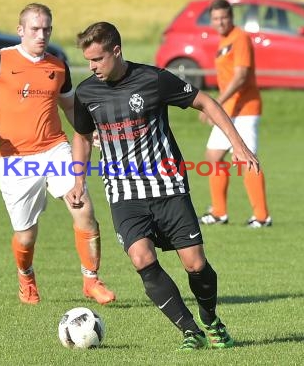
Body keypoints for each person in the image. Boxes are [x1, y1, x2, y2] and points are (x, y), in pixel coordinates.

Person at [66, 21, 260, 350]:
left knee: (195, 263)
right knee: (141, 258)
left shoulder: (153, 79)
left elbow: (207, 102)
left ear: (116, 51)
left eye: (98, 59)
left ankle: (210, 321)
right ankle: (189, 331)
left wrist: (238, 145)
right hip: (124, 194)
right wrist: (78, 179)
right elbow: (83, 136)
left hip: (168, 188)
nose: (92, 67)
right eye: (88, 60)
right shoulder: (87, 93)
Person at [0, 3, 115, 306]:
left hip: (56, 149)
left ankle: (91, 280)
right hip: (15, 159)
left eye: (47, 29)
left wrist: (89, 134)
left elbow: (68, 106)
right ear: (21, 30)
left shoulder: (57, 65)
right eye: (36, 29)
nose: (42, 35)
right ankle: (26, 276)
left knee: (85, 210)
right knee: (26, 235)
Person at [199, 0, 272, 228]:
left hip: (245, 108)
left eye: (224, 17)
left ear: (232, 17)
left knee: (245, 159)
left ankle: (262, 217)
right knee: (213, 156)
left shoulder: (240, 37)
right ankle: (219, 212)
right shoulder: (223, 41)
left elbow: (240, 77)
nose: (220, 22)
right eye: (216, 18)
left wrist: (215, 104)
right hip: (229, 110)